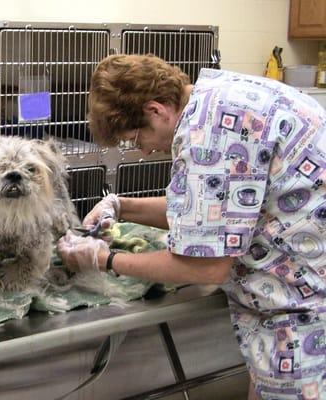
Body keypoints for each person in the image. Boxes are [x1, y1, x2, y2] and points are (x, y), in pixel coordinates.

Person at [57, 54, 326, 399]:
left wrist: (104, 259)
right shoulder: (220, 97)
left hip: (305, 312)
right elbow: (212, 212)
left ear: (156, 110)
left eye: (137, 138)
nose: (144, 150)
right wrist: (122, 206)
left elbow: (206, 266)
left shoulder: (209, 137)